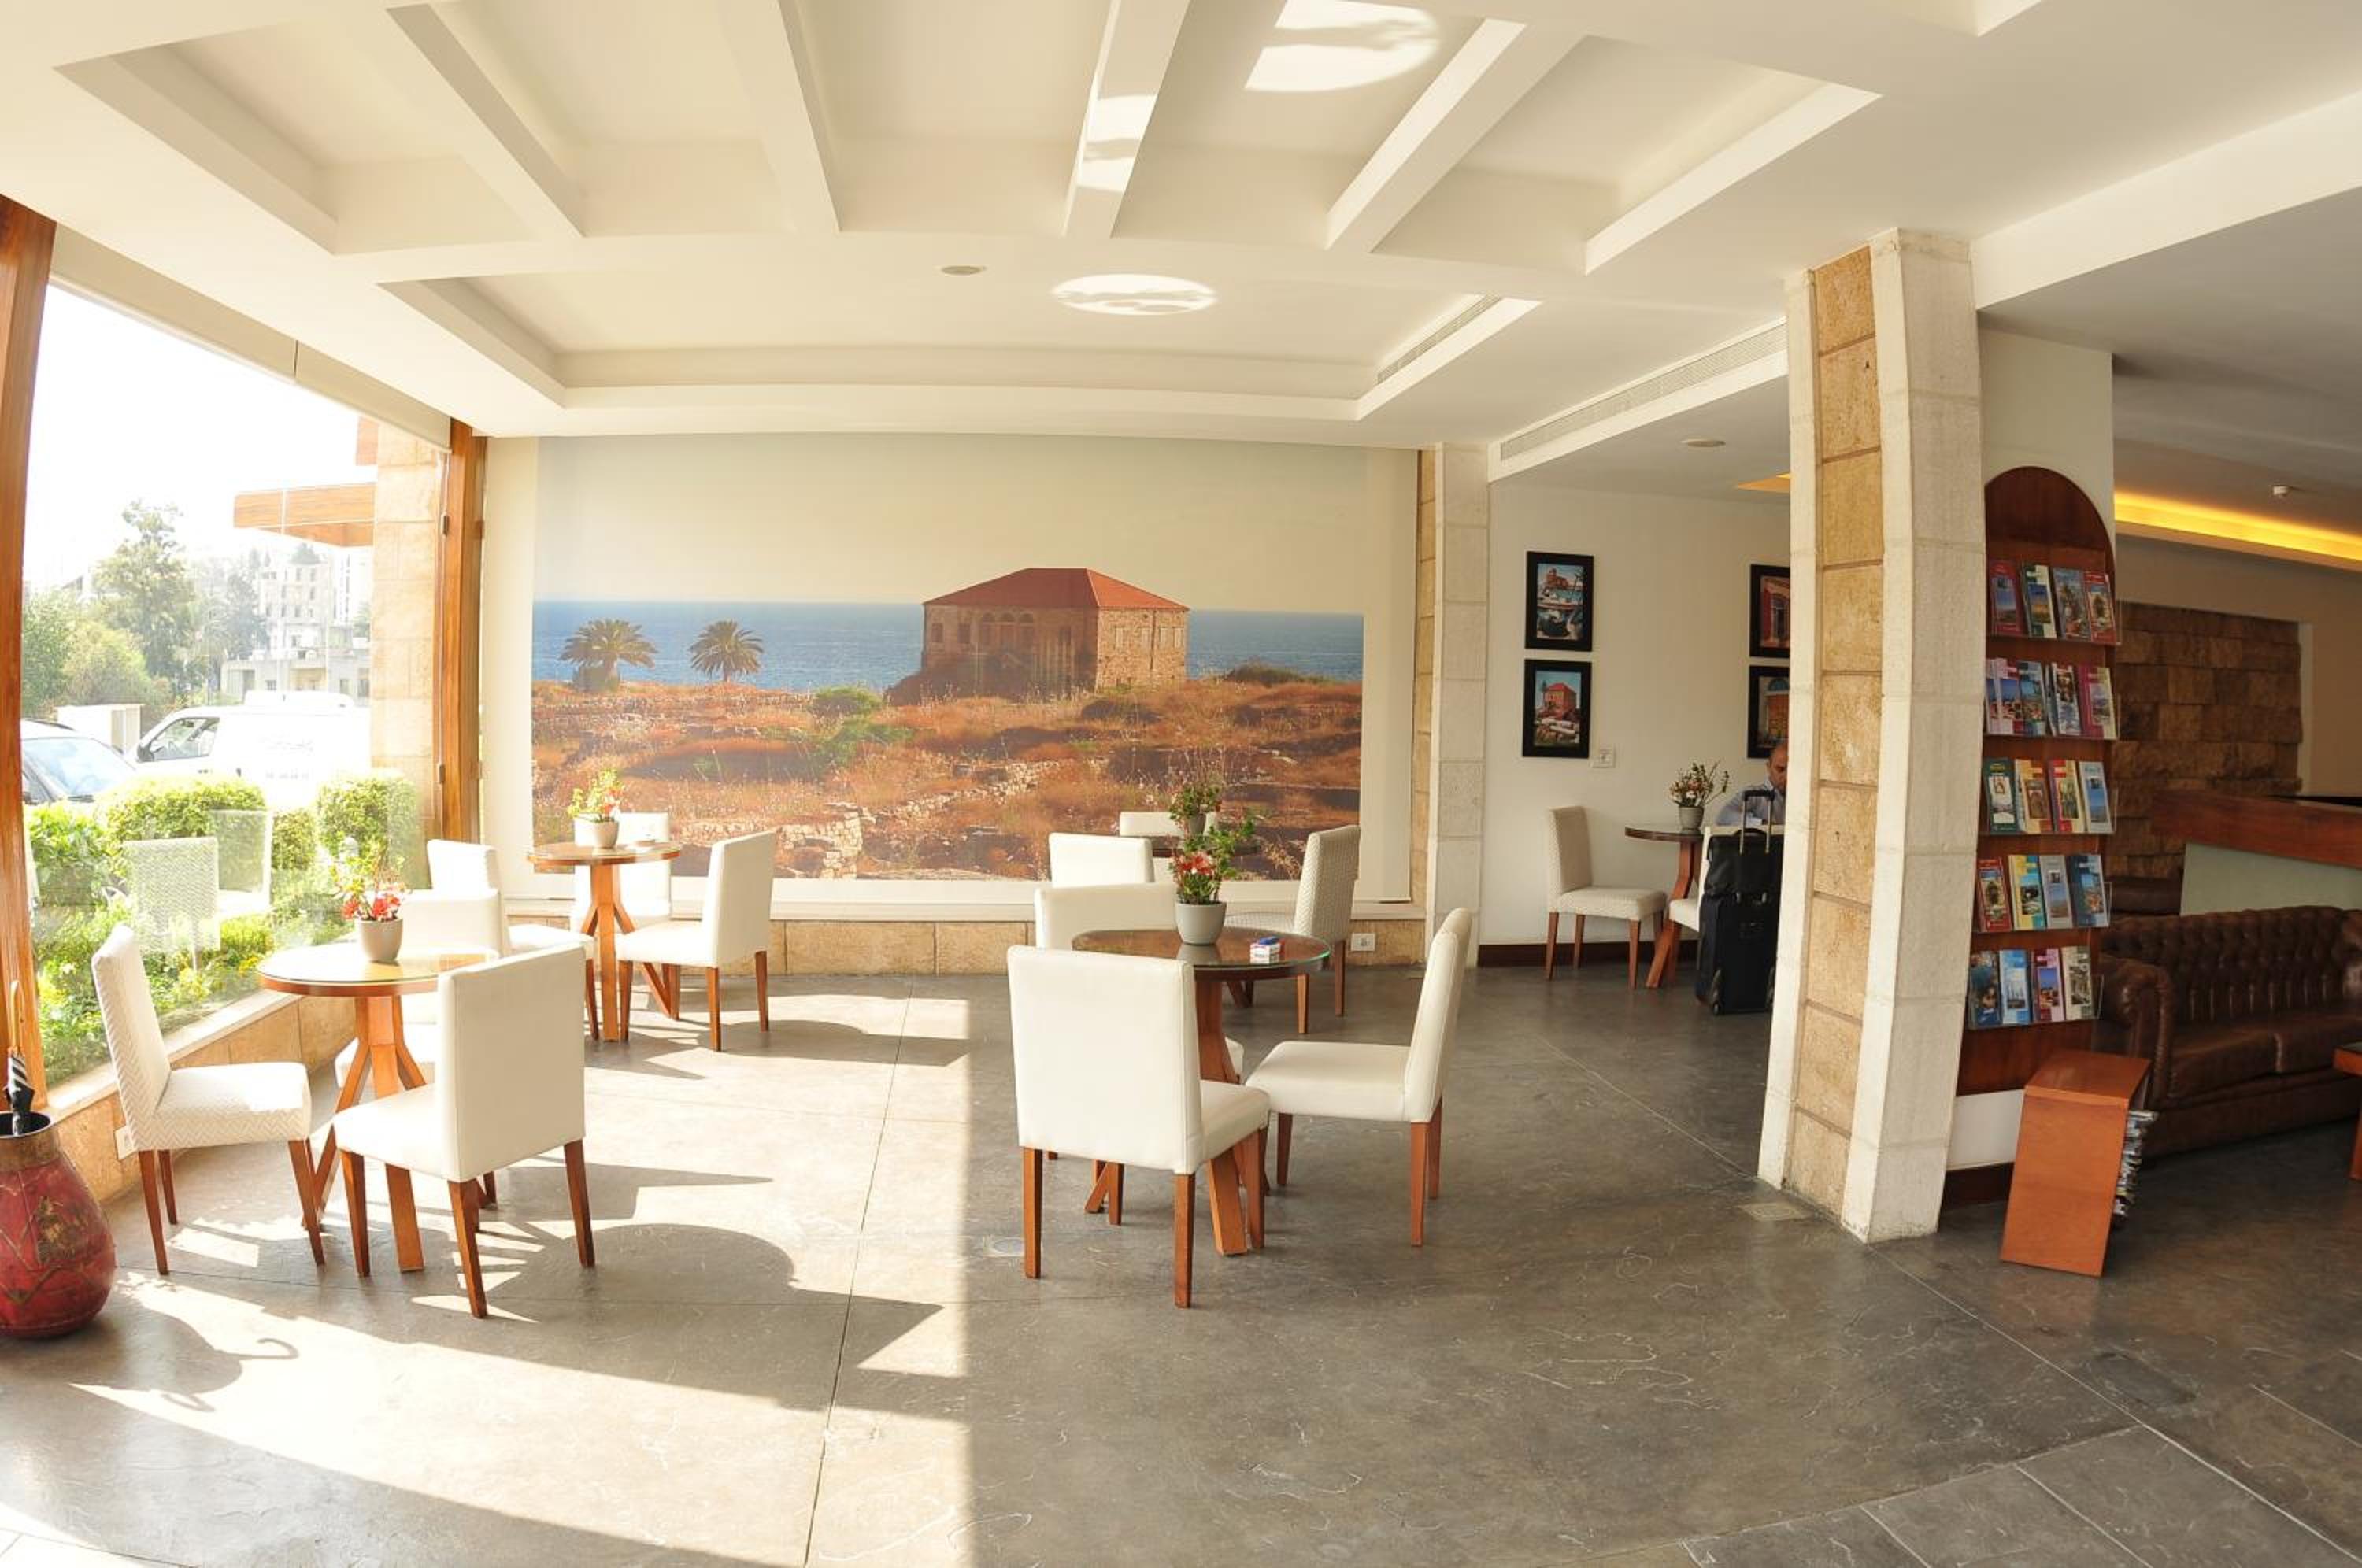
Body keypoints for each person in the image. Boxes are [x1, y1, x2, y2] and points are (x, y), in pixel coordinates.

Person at [1716, 739, 1787, 825]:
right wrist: (1763, 824)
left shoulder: (1800, 797)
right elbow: (1724, 816)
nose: (1787, 776)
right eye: (1780, 769)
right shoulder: (1754, 794)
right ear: (1769, 767)